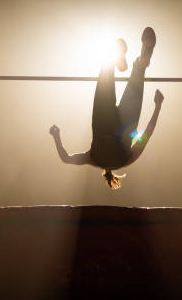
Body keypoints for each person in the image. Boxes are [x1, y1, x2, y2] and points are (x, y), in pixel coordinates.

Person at [49, 27, 164, 189]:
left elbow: (147, 134)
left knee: (137, 77)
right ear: (104, 173)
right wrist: (56, 135)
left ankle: (141, 62)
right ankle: (114, 61)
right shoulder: (93, 159)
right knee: (105, 76)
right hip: (103, 124)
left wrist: (158, 106)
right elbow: (65, 158)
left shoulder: (126, 161)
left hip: (124, 127)